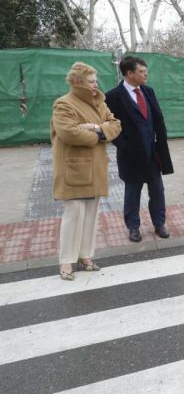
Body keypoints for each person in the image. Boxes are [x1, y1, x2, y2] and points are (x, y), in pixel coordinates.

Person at [51, 62, 121, 280]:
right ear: (78, 82)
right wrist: (101, 133)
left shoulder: (99, 101)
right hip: (74, 169)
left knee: (91, 214)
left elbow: (116, 125)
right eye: (91, 81)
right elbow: (69, 133)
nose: (95, 84)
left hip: (96, 168)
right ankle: (66, 261)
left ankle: (86, 256)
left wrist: (95, 129)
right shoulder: (64, 104)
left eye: (96, 80)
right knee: (74, 215)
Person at [105, 56, 174, 243]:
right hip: (131, 155)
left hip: (153, 152)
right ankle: (133, 227)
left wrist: (161, 143)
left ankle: (159, 223)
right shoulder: (112, 96)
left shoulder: (148, 92)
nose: (146, 74)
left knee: (158, 190)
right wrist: (124, 146)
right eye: (142, 72)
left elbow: (157, 119)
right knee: (132, 192)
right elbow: (109, 126)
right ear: (129, 73)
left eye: (146, 71)